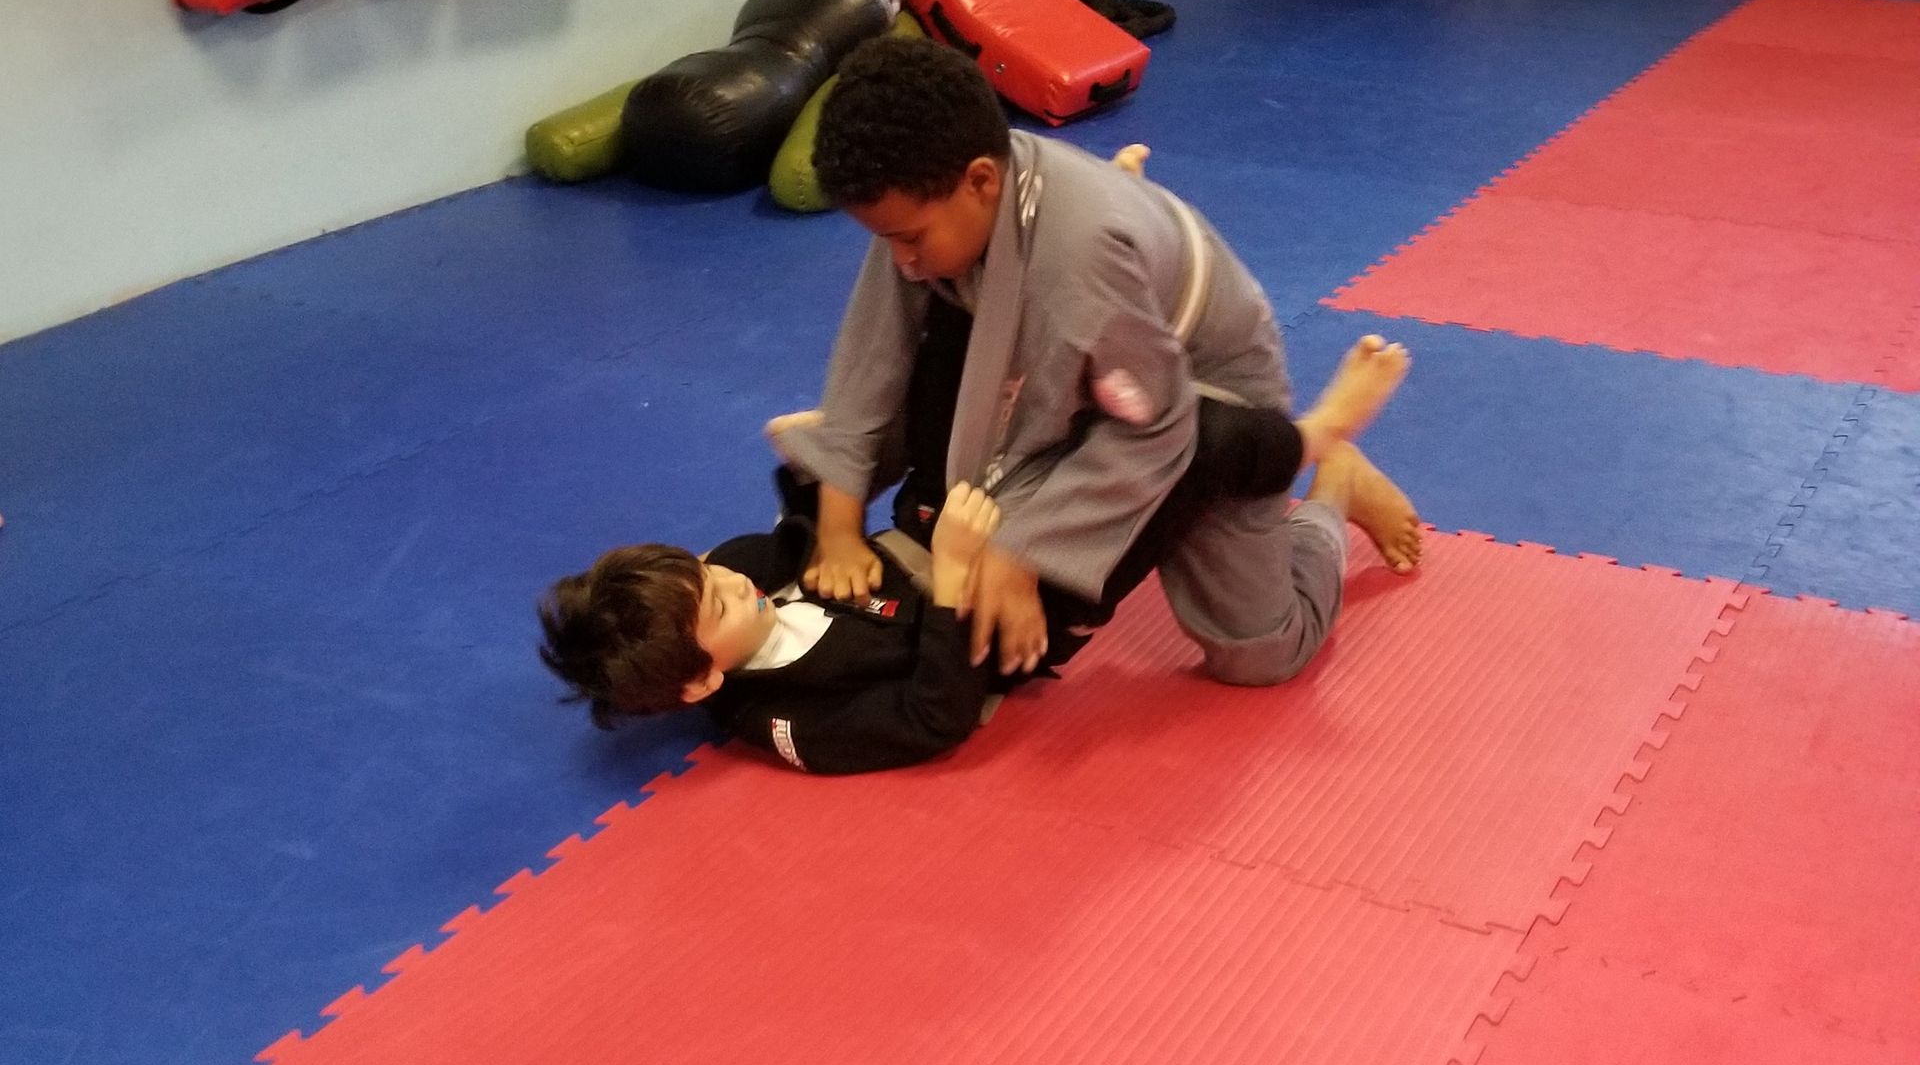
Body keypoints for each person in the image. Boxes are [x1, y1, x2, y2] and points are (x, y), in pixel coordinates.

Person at [778, 35, 1423, 691]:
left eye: (909, 239)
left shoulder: (1078, 258)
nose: (901, 260)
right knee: (949, 496)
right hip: (1085, 356)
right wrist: (838, 527)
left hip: (1201, 387)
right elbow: (870, 355)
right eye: (886, 240)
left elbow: (1157, 425)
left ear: (980, 179)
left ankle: (1329, 475)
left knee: (1258, 652)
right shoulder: (924, 210)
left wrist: (1020, 551)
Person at [537, 331, 1409, 775]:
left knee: (960, 403)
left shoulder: (731, 571)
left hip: (927, 525)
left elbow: (797, 540)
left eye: (707, 570)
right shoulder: (788, 720)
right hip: (1014, 613)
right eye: (720, 602)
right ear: (701, 683)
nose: (730, 577)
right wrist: (955, 580)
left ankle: (1075, 277)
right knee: (1182, 498)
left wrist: (819, 472)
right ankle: (1323, 473)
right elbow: (933, 717)